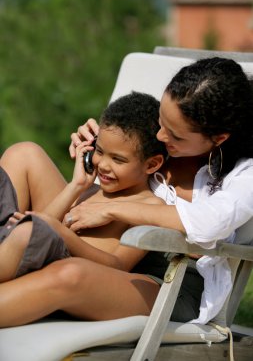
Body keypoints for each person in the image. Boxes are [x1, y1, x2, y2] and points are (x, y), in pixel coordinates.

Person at [0, 57, 252, 329]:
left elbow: (210, 224)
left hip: (165, 278)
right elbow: (124, 142)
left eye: (175, 136)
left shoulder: (244, 175)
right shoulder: (158, 142)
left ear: (218, 138)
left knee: (69, 275)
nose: (161, 137)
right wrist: (99, 143)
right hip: (105, 236)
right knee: (24, 154)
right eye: (161, 121)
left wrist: (112, 209)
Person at [0, 91, 166, 284]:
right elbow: (44, 222)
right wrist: (76, 186)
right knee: (24, 151)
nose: (103, 165)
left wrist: (61, 232)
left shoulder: (150, 206)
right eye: (99, 151)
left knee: (25, 234)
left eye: (118, 159)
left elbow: (120, 266)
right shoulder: (89, 191)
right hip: (26, 246)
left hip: (71, 267)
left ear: (152, 164)